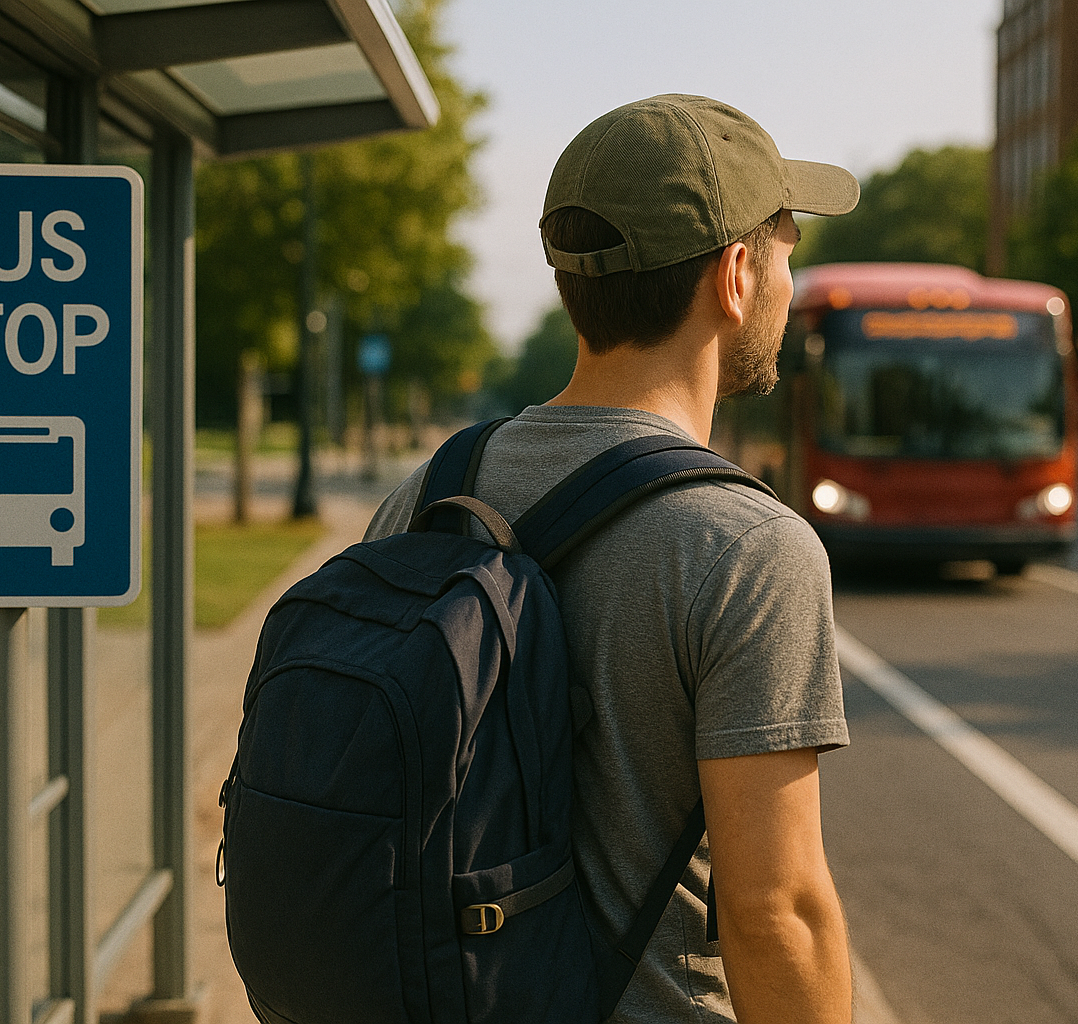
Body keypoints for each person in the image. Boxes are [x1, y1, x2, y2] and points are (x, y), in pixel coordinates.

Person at [364, 94, 859, 1023]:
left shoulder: (427, 491)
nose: (791, 285)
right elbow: (775, 913)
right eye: (790, 248)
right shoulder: (751, 549)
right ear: (738, 275)